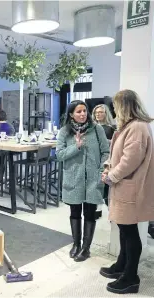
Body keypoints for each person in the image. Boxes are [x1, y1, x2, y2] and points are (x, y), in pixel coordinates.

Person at [100, 89, 154, 294]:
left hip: (129, 187)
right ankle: (121, 265)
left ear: (124, 106)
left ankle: (131, 277)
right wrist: (107, 167)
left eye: (115, 106)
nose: (113, 110)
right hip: (123, 186)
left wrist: (112, 176)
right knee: (124, 229)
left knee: (130, 232)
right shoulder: (129, 127)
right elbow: (116, 155)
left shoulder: (138, 127)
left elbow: (130, 160)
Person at [56, 100, 110, 262]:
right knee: (74, 212)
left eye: (84, 111)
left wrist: (102, 170)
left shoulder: (97, 129)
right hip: (73, 178)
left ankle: (86, 248)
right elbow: (59, 155)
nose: (82, 114)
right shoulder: (64, 132)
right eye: (78, 112)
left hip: (93, 179)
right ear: (71, 114)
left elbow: (105, 152)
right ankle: (76, 244)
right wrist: (76, 146)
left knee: (90, 213)